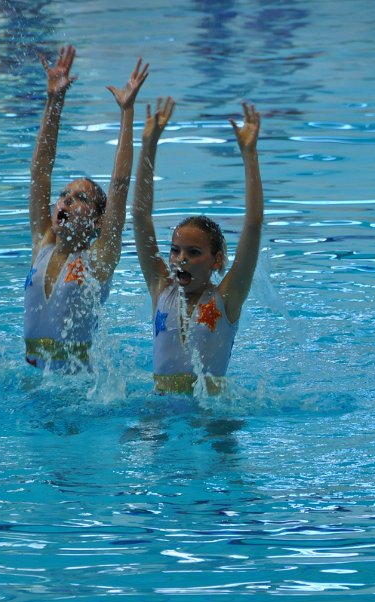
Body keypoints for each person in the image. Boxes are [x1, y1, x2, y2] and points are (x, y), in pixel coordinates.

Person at [24, 46, 148, 370]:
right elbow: (40, 172)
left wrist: (127, 112)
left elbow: (119, 185)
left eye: (79, 198)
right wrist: (54, 102)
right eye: (64, 195)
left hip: (78, 390)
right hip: (32, 382)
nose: (65, 200)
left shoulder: (99, 260)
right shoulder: (43, 245)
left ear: (97, 221)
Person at [131, 98, 264, 394]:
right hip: (160, 411)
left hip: (211, 415)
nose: (181, 259)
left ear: (216, 260)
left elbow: (253, 226)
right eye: (175, 250)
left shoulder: (226, 299)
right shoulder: (161, 291)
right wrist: (149, 144)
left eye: (194, 253)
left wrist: (250, 155)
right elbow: (140, 217)